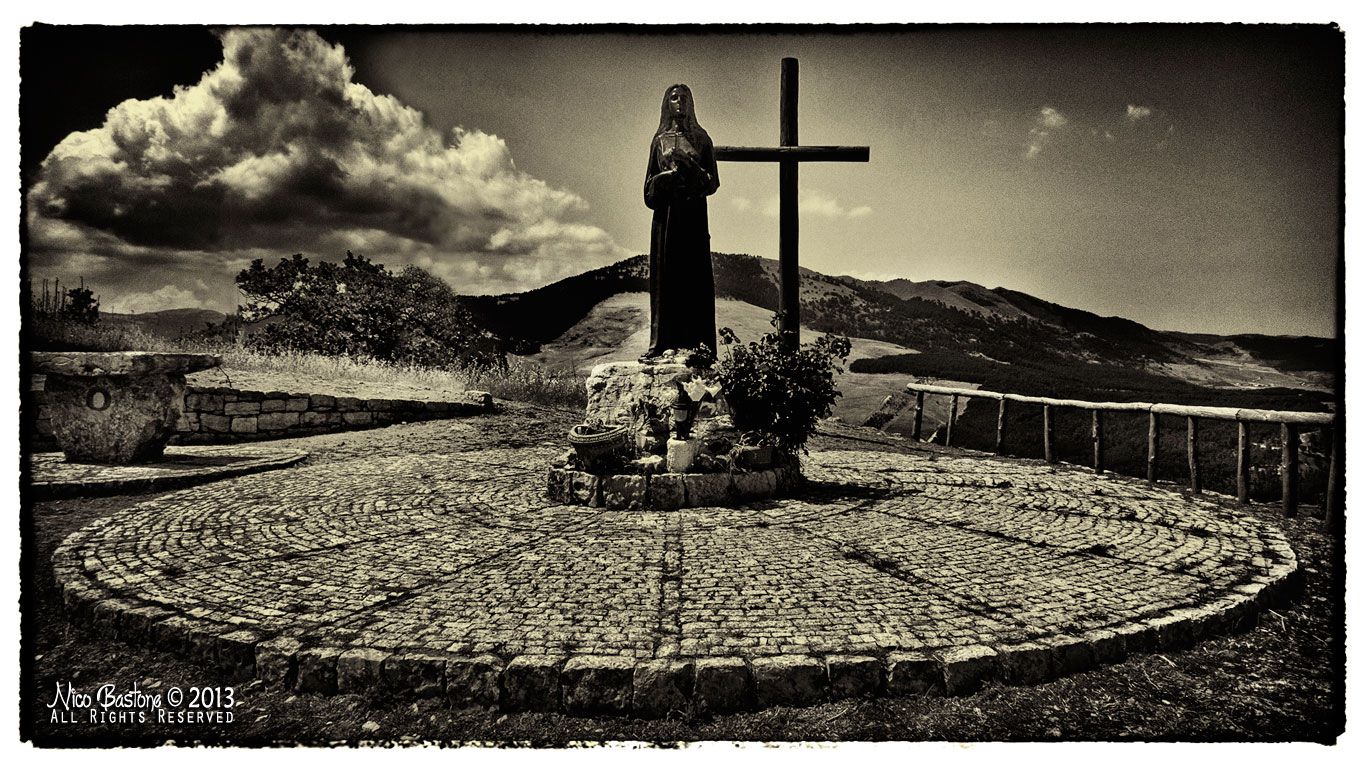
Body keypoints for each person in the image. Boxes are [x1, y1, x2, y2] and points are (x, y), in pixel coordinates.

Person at [641, 84, 720, 361]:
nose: (680, 102)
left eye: (684, 97)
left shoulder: (701, 139)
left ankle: (697, 345)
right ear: (667, 103)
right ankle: (664, 343)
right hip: (666, 217)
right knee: (667, 277)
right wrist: (662, 180)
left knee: (693, 276)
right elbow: (647, 190)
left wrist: (693, 170)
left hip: (693, 215)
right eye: (674, 97)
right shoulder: (659, 140)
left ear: (691, 103)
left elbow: (713, 183)